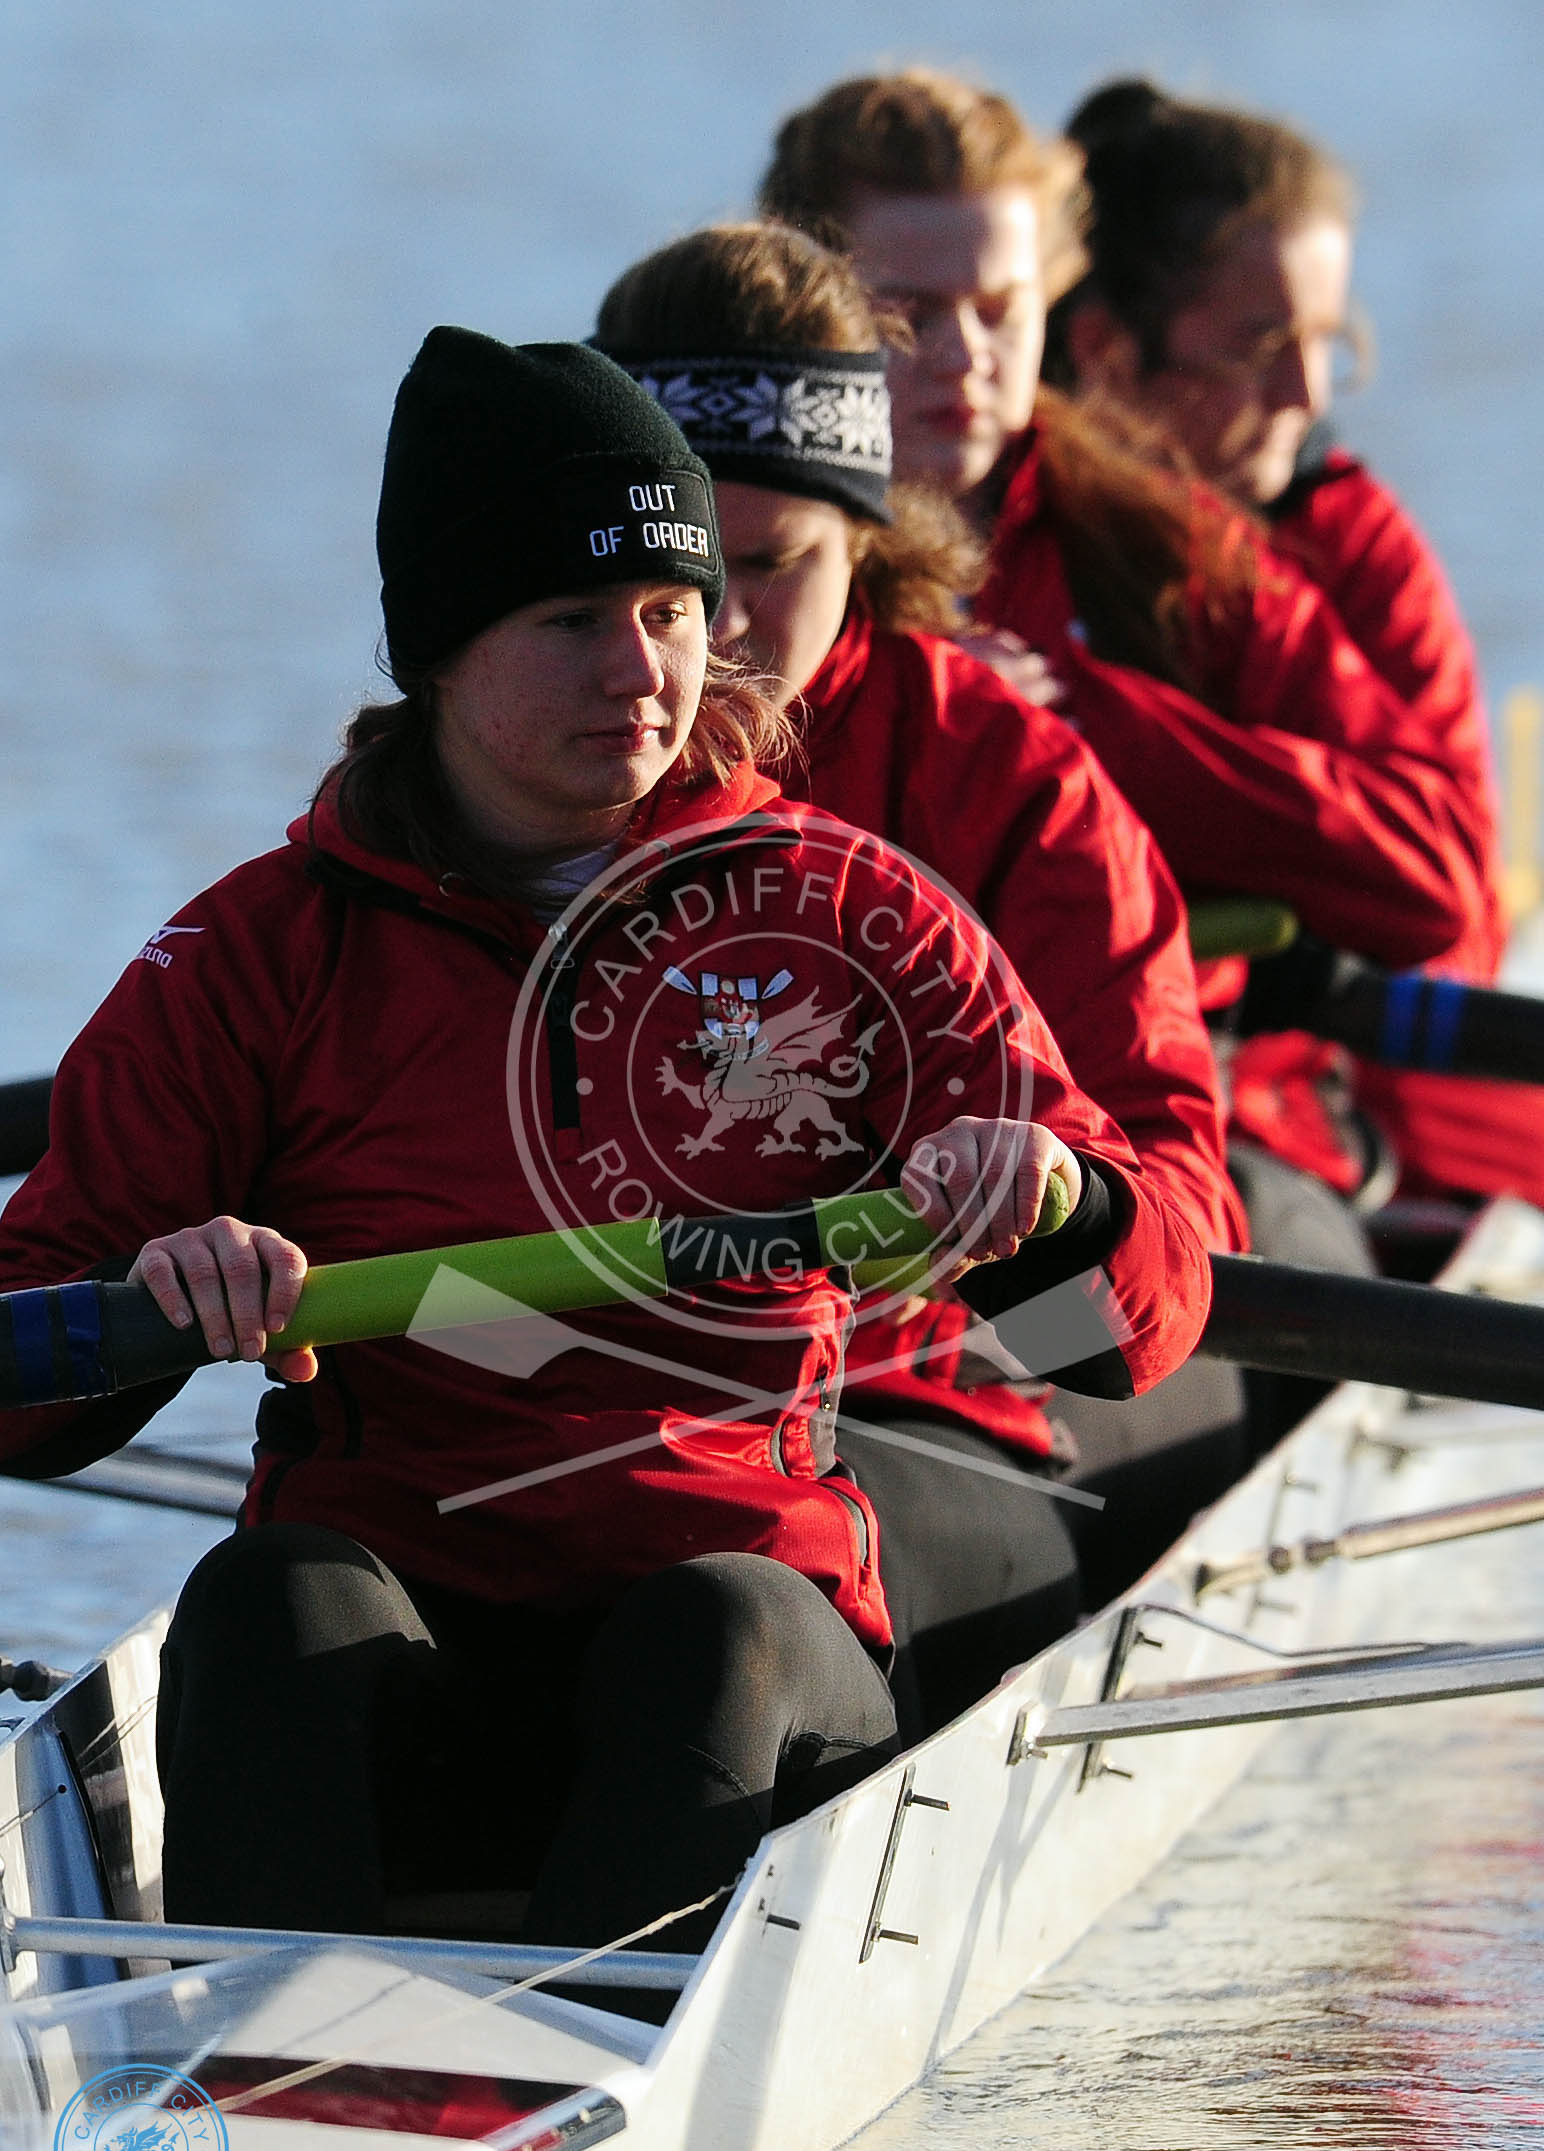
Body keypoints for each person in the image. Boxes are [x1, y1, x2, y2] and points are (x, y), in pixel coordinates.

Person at [0, 330, 1210, 1957]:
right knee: (260, 1603)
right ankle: (245, 2099)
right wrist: (160, 1302)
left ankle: (584, 2094)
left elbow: (1113, 1348)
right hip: (405, 1648)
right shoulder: (253, 961)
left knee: (705, 1628)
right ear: (437, 647)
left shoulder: (856, 924)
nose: (641, 674)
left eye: (667, 613)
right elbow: (24, 1401)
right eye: (571, 622)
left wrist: (1054, 1210)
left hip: (748, 1663)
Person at [592, 220, 1247, 1733]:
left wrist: (1050, 1204)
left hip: (930, 1415)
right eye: (669, 572)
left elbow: (1154, 1280)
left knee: (700, 1582)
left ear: (873, 543)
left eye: (773, 567)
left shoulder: (1019, 785)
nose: (713, 636)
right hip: (576, 1417)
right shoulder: (514, 770)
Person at [756, 69, 1495, 1295]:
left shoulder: (1170, 545)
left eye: (1000, 309)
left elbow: (1434, 874)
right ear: (806, 313)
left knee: (1032, 1340)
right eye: (910, 315)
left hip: (1148, 1174)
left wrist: (1071, 724)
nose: (965, 359)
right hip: (808, 1174)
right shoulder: (688, 586)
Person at [1046, 75, 1544, 1218]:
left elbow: (1449, 911)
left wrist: (1109, 739)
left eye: (1323, 339)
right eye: (1258, 345)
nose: (1306, 390)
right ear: (1104, 350)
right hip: (1017, 1126)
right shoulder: (998, 527)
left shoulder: (1341, 536)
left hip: (1269, 1101)